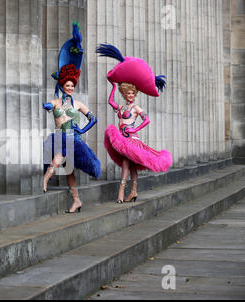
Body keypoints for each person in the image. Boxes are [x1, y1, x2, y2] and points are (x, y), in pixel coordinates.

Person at [43, 62, 100, 213]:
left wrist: (81, 130)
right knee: (69, 171)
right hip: (59, 137)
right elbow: (48, 105)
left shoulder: (78, 104)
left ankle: (45, 180)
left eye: (72, 86)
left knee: (61, 155)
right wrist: (47, 106)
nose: (70, 88)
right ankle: (76, 200)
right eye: (67, 86)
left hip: (73, 139)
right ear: (62, 86)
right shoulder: (56, 102)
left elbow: (93, 119)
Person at [104, 81, 172, 203]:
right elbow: (110, 102)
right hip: (122, 138)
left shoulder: (136, 108)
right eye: (128, 93)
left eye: (132, 93)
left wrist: (135, 128)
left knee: (126, 163)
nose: (130, 95)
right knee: (133, 167)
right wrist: (113, 87)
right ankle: (133, 191)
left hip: (131, 139)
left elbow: (147, 120)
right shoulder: (122, 107)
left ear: (135, 95)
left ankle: (121, 192)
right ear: (125, 94)